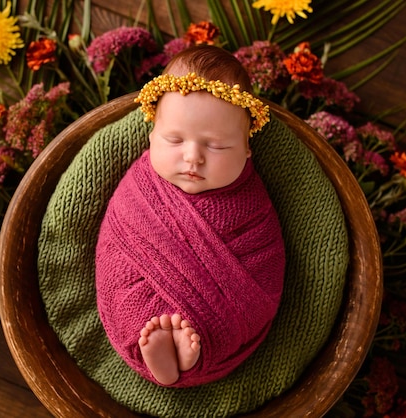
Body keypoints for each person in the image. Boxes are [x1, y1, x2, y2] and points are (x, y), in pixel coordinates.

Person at [95, 45, 285, 387]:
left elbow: (265, 251)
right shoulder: (141, 186)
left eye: (217, 146)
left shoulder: (251, 203)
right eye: (174, 139)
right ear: (152, 136)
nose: (193, 157)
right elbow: (118, 232)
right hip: (148, 290)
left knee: (251, 301)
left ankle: (188, 355)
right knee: (126, 290)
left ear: (246, 149)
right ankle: (162, 353)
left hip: (218, 314)